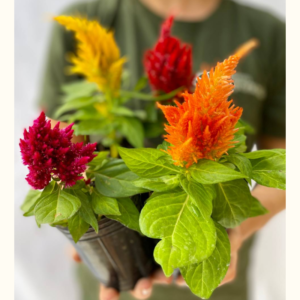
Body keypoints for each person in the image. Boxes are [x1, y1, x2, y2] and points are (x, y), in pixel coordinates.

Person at [38, 0, 286, 299]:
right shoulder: (87, 19)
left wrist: (237, 231)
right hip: (117, 281)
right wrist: (84, 223)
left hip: (219, 284)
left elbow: (286, 171)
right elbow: (55, 148)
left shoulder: (269, 33)